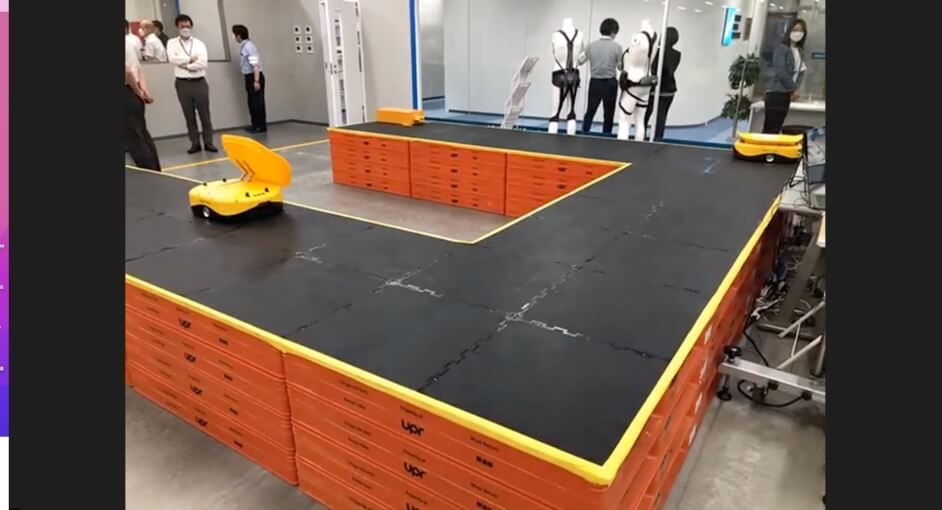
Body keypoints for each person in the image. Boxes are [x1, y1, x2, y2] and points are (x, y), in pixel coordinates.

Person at [166, 14, 218, 153]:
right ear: (177, 27)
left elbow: (203, 63)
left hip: (199, 82)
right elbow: (172, 59)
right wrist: (190, 59)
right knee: (189, 115)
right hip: (182, 83)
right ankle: (195, 143)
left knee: (205, 115)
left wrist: (186, 65)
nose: (185, 29)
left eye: (188, 26)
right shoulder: (172, 43)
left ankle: (208, 142)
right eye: (182, 26)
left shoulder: (199, 44)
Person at [125, 25, 161, 172]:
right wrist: (143, 91)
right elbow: (139, 69)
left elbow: (127, 72)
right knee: (142, 134)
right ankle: (156, 171)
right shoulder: (129, 44)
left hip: (127, 92)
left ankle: (149, 174)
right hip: (133, 92)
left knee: (135, 139)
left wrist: (137, 90)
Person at [762, 19, 807, 134]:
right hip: (776, 92)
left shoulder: (799, 51)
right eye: (795, 30)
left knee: (777, 127)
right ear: (789, 31)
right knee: (771, 128)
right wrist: (794, 89)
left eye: (801, 31)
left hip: (787, 93)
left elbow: (800, 71)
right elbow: (780, 72)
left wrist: (794, 89)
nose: (798, 33)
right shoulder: (782, 48)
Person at [579, 18, 623, 135]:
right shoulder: (617, 47)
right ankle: (606, 137)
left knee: (590, 110)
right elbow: (620, 67)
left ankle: (584, 133)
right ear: (613, 32)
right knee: (609, 114)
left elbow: (580, 61)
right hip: (610, 83)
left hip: (595, 82)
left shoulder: (590, 46)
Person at [644, 26, 681, 141]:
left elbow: (653, 70)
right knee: (661, 118)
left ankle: (641, 138)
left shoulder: (657, 52)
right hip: (669, 90)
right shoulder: (677, 54)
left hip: (654, 89)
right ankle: (658, 140)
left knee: (644, 116)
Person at [232, 24, 267, 133]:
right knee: (252, 103)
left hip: (254, 76)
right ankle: (255, 124)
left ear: (238, 35)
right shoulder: (244, 46)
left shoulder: (249, 47)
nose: (234, 37)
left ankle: (260, 126)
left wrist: (256, 81)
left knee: (257, 103)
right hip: (249, 76)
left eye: (234, 35)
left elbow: (255, 65)